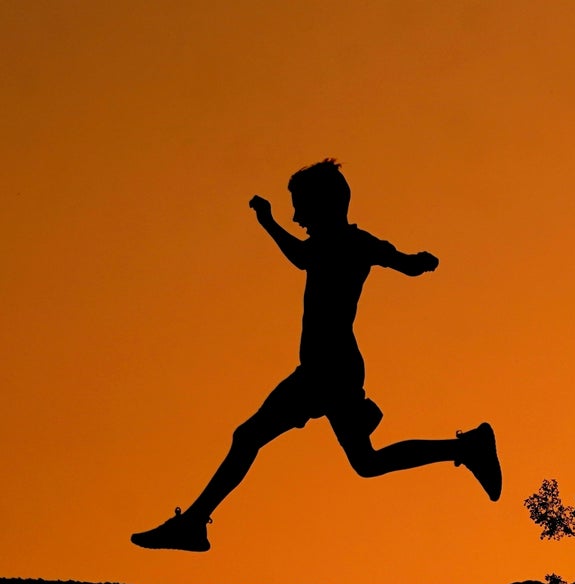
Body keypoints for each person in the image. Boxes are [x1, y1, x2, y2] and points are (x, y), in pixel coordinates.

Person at [132, 159, 500, 553]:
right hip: (333, 368)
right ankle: (464, 448)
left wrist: (268, 223)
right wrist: (416, 262)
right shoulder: (355, 243)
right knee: (365, 462)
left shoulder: (341, 244)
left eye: (300, 206)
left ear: (323, 204)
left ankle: (192, 524)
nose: (296, 216)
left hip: (325, 371)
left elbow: (307, 257)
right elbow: (398, 261)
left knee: (248, 437)